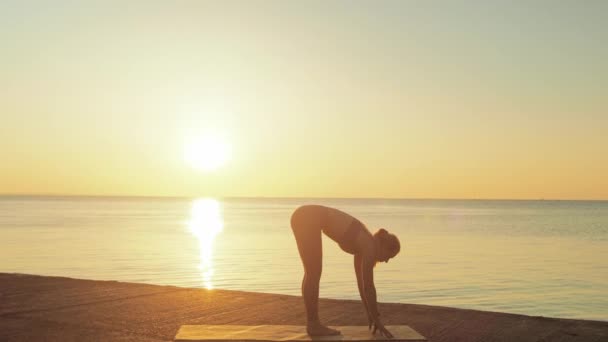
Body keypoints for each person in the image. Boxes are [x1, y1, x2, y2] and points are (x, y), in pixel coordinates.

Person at [290, 204, 401, 337]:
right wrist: (378, 320)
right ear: (384, 247)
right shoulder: (369, 246)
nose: (387, 261)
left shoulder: (363, 245)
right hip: (308, 217)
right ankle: (313, 324)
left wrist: (371, 314)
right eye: (389, 256)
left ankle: (313, 324)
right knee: (313, 273)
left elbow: (362, 284)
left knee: (311, 272)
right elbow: (369, 287)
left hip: (303, 215)